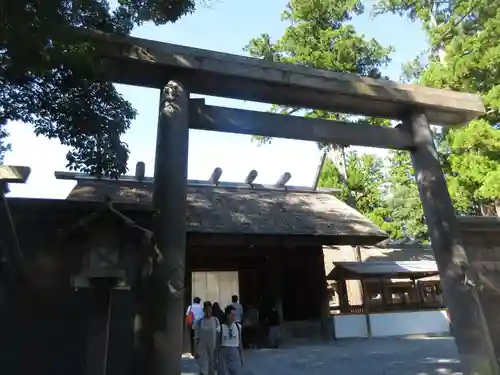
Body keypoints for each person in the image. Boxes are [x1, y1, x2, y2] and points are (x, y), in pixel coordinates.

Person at [194, 301, 220, 375]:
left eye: (209, 310)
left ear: (211, 310)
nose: (208, 312)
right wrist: (195, 350)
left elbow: (219, 335)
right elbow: (196, 337)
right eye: (206, 310)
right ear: (203, 310)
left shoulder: (215, 321)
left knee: (213, 370)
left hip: (213, 349)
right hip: (202, 349)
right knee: (203, 370)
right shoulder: (199, 322)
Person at [217, 305, 243, 375]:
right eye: (232, 314)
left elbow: (240, 342)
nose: (233, 316)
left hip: (235, 352)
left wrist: (241, 356)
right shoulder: (220, 328)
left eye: (235, 315)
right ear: (227, 315)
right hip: (224, 352)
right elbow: (217, 344)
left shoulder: (238, 327)